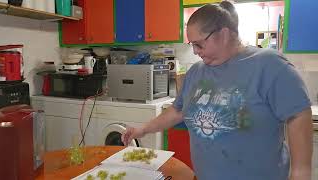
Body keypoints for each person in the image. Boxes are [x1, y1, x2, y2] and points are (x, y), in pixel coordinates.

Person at [121, 1, 313, 180]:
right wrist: (143, 129)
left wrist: (300, 172)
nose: (195, 51)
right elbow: (178, 110)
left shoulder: (270, 66)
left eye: (199, 44)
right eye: (192, 45)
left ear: (224, 33)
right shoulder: (196, 72)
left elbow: (298, 115)